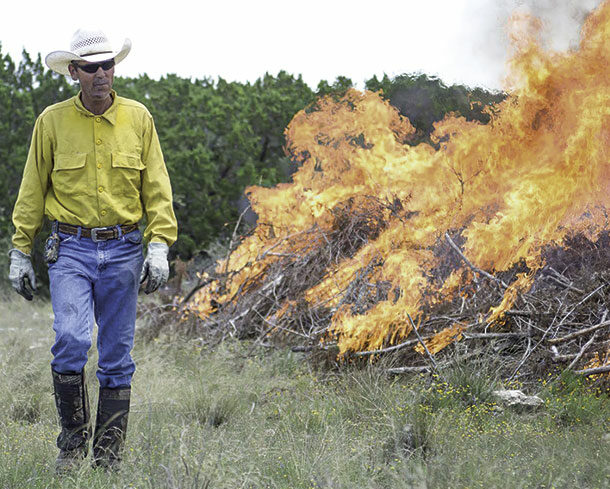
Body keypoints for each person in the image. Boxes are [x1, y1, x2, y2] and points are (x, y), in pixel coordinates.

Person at [8, 28, 178, 471]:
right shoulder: (51, 121)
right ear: (73, 72)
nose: (102, 73)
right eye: (91, 66)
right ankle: (71, 445)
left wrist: (158, 245)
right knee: (71, 339)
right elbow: (31, 189)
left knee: (117, 356)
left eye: (108, 64)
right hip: (69, 249)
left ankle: (108, 460)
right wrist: (20, 250)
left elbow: (157, 187)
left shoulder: (139, 118)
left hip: (124, 249)